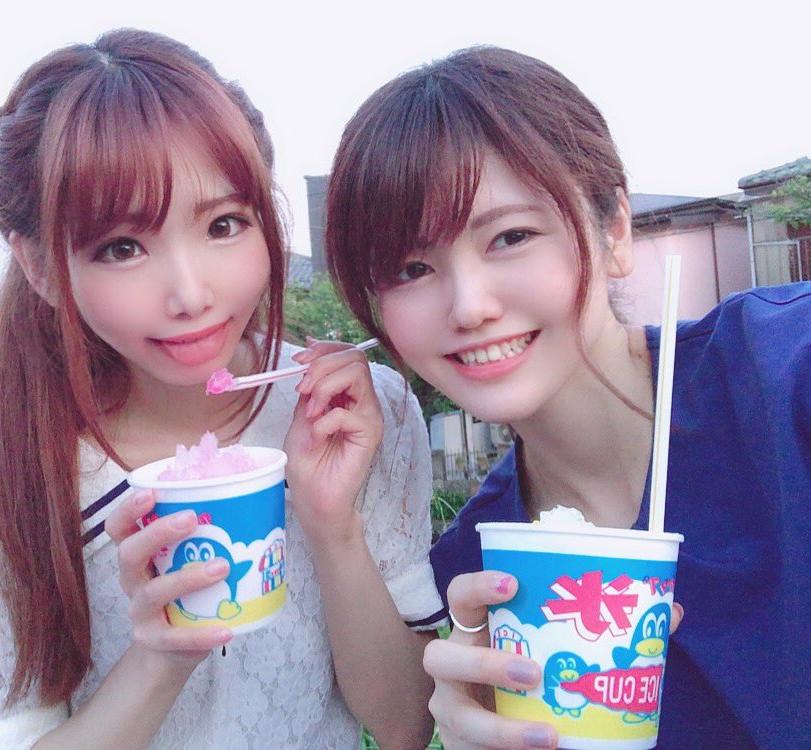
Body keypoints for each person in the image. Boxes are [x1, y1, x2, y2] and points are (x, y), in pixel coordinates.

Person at [0, 29, 439, 750]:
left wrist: (333, 525)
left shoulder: (350, 417)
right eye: (122, 247)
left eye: (224, 224)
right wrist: (160, 656)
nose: (190, 294)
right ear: (41, 267)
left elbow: (404, 726)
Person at [324, 46, 810, 750]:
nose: (470, 306)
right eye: (410, 268)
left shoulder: (783, 372)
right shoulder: (483, 574)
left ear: (614, 230)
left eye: (511, 236)